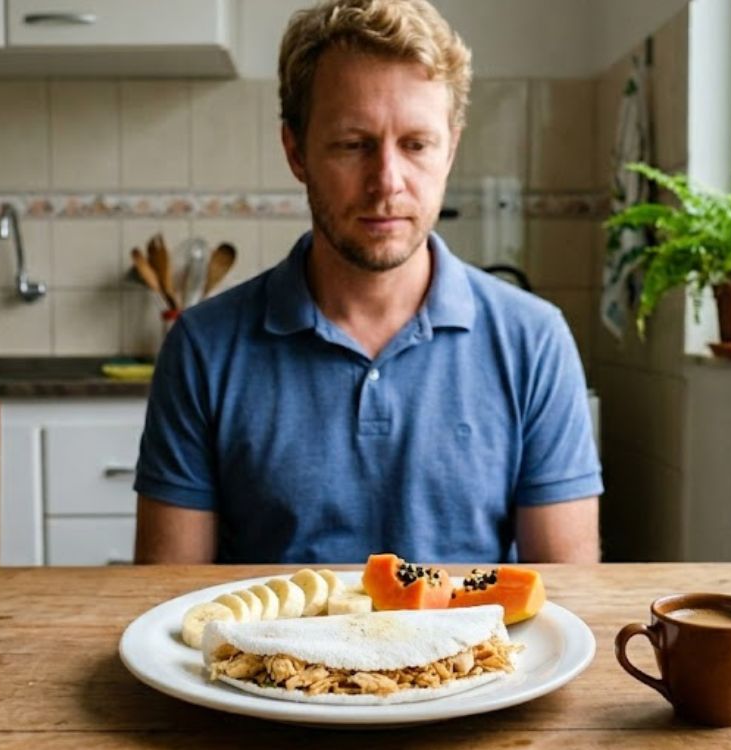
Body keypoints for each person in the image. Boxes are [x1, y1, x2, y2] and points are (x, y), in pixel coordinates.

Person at [133, 0, 602, 564]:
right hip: (269, 655)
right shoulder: (202, 348)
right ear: (295, 151)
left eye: (415, 145)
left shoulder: (534, 340)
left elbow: (564, 599)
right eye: (353, 144)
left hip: (476, 655)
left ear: (449, 149)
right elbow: (168, 604)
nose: (387, 182)